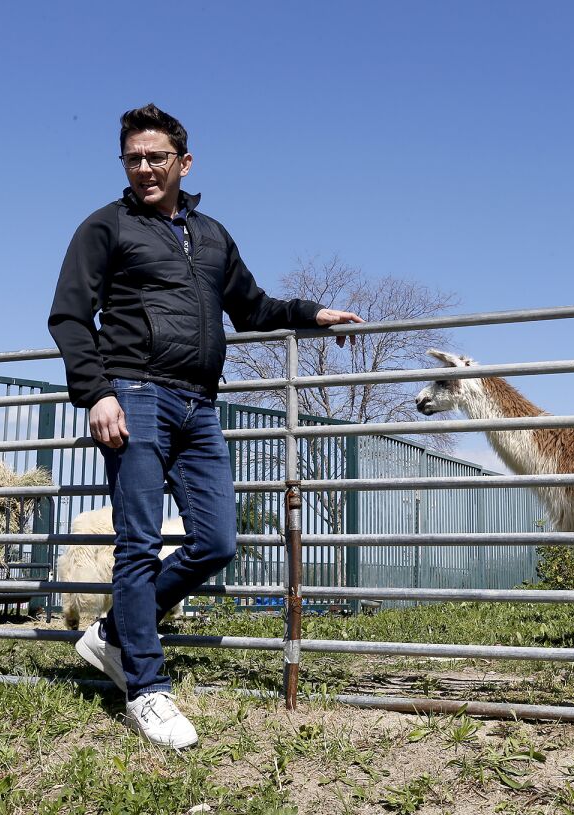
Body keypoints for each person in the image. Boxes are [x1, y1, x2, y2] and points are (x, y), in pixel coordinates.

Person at [48, 103, 362, 748]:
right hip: (133, 394)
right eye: (132, 158)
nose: (144, 168)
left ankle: (113, 636)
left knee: (216, 542)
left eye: (156, 156)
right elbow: (70, 316)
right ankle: (147, 689)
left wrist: (310, 314)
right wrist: (96, 393)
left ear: (183, 163)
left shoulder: (213, 235)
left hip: (198, 403)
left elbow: (251, 308)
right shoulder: (104, 228)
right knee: (137, 543)